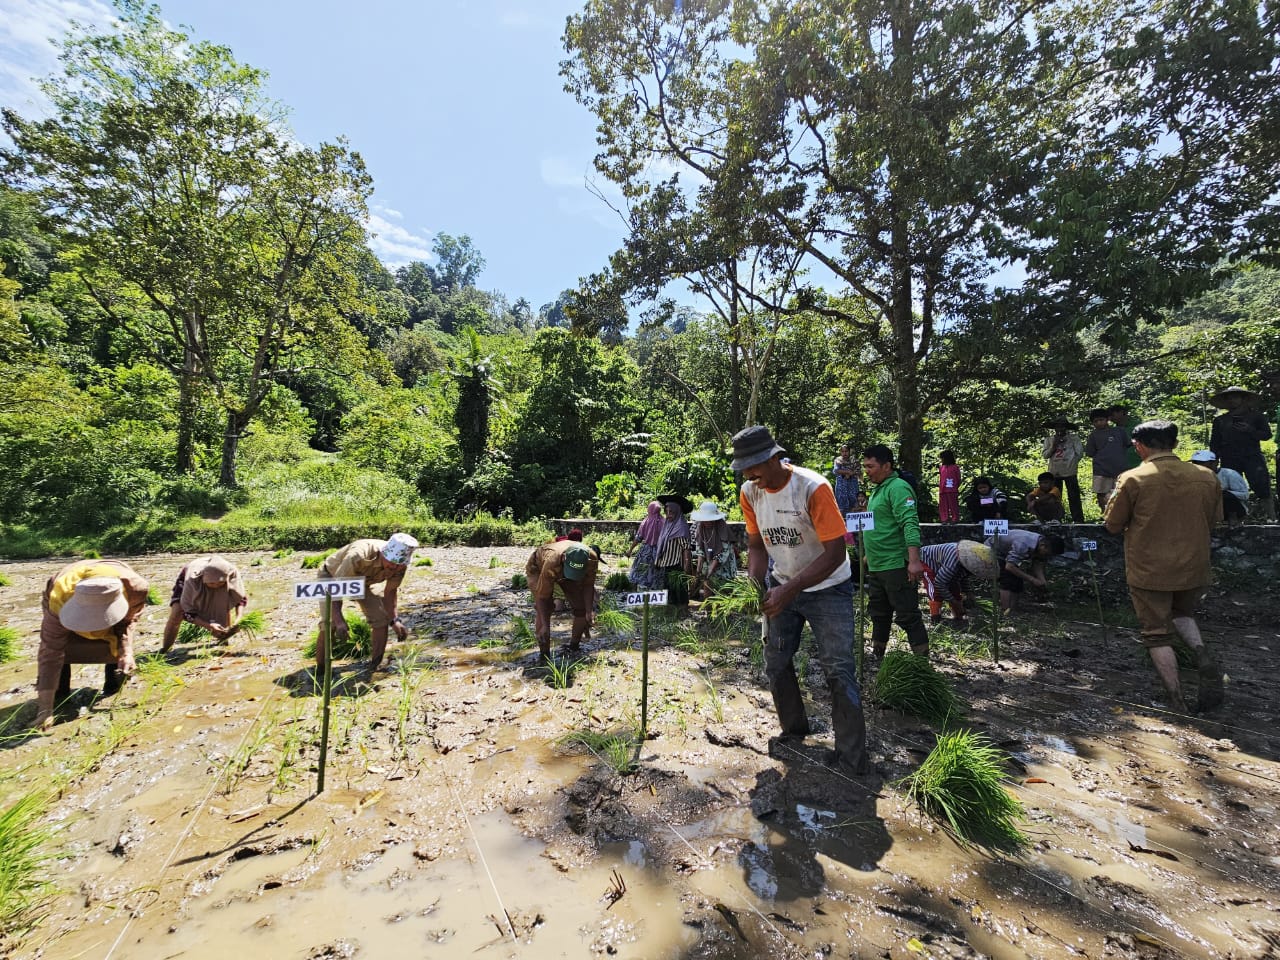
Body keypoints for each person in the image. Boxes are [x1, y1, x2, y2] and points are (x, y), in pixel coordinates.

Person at [732, 425, 871, 775]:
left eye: (755, 465)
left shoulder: (812, 488)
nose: (750, 473)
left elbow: (837, 552)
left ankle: (851, 759)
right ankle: (794, 733)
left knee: (838, 669)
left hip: (829, 589)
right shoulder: (750, 493)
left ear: (775, 457)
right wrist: (754, 586)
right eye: (744, 468)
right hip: (782, 585)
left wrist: (789, 590)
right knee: (776, 662)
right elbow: (755, 545)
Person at [1104, 420, 1223, 713]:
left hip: (1150, 568)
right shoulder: (1206, 477)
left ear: (1139, 446)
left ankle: (1176, 700)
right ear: (1175, 443)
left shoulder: (1132, 478)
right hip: (1194, 565)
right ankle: (1201, 653)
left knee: (1156, 633)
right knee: (1183, 612)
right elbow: (1214, 521)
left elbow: (1113, 525)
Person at [35, 559, 150, 729]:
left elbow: (127, 623)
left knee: (114, 645)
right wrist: (44, 711)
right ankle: (57, 695)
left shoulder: (136, 589)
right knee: (64, 650)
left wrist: (127, 653)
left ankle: (112, 685)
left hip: (118, 592)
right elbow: (50, 652)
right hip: (65, 599)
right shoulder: (58, 598)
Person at [315, 533, 417, 673]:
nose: (394, 568)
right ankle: (321, 670)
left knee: (381, 619)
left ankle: (374, 666)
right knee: (330, 624)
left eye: (398, 565)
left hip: (364, 582)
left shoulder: (399, 566)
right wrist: (339, 620)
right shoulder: (358, 555)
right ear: (383, 554)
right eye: (391, 563)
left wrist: (395, 620)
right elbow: (335, 588)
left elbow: (390, 591)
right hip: (332, 578)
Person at [862, 444, 929, 659]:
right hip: (876, 565)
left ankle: (922, 664)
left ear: (886, 465)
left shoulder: (898, 488)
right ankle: (877, 657)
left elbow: (909, 523)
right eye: (865, 466)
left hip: (895, 565)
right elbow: (879, 525)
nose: (867, 471)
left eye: (870, 466)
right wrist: (867, 554)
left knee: (908, 614)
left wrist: (914, 560)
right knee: (878, 614)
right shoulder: (877, 490)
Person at [526, 539, 603, 659]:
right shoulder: (552, 561)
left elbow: (588, 585)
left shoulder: (591, 558)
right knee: (544, 611)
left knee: (581, 609)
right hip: (539, 567)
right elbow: (542, 598)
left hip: (563, 569)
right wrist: (545, 626)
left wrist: (589, 611)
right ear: (564, 558)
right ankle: (544, 655)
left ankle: (573, 647)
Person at [1209, 385, 1273, 521]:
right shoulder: (1220, 420)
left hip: (1252, 456)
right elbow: (1214, 443)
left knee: (1263, 489)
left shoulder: (1256, 417)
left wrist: (1250, 430)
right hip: (1229, 458)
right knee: (1229, 490)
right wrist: (1213, 461)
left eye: (1235, 397)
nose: (1232, 401)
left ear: (1243, 399)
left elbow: (1267, 435)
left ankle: (1271, 518)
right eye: (1229, 398)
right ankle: (1234, 519)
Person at [161, 555, 248, 652]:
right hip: (192, 581)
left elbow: (240, 598)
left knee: (223, 606)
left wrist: (239, 619)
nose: (215, 586)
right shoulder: (191, 580)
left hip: (221, 580)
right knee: (177, 614)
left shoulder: (232, 575)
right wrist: (208, 625)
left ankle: (224, 642)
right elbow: (186, 613)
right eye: (211, 584)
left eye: (220, 583)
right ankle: (165, 650)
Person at [984, 529, 1066, 613]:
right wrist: (1032, 579)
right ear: (1043, 545)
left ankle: (1013, 609)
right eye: (1047, 554)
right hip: (993, 551)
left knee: (1018, 581)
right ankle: (1005, 610)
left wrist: (1042, 581)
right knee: (1007, 579)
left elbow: (1038, 564)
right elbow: (1009, 566)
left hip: (1007, 555)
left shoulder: (1039, 544)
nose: (1047, 556)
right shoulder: (1023, 544)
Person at [919, 540, 999, 627]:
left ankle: (958, 617)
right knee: (935, 592)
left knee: (955, 590)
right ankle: (935, 619)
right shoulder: (953, 563)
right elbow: (939, 583)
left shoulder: (967, 564)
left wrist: (969, 593)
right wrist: (953, 601)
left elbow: (962, 578)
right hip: (928, 560)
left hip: (944, 564)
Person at [689, 501, 738, 600]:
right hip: (708, 560)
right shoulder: (700, 528)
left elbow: (724, 552)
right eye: (705, 520)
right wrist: (698, 571)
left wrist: (712, 568)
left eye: (710, 520)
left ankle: (723, 613)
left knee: (723, 591)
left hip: (724, 565)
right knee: (707, 586)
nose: (707, 522)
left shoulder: (722, 528)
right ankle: (708, 613)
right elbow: (700, 550)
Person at [1085, 407, 1129, 511]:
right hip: (1101, 470)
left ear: (1107, 419)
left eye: (1101, 420)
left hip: (1120, 469)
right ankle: (1105, 514)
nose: (1099, 423)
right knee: (1102, 494)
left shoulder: (1119, 431)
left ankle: (1121, 516)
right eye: (1096, 421)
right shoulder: (1093, 435)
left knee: (1122, 493)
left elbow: (1127, 444)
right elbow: (1090, 452)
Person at [1042, 417, 1085, 523]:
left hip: (1070, 471)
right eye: (1057, 426)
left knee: (1074, 497)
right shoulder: (1049, 439)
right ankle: (1055, 519)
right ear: (1054, 428)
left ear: (1066, 428)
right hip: (1054, 472)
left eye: (1062, 426)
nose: (1060, 428)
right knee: (1054, 497)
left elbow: (1079, 453)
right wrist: (1054, 446)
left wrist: (1072, 462)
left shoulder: (1074, 438)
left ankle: (1078, 520)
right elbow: (1045, 455)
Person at [1190, 450, 1249, 527]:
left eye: (1201, 463)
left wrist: (1220, 492)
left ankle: (1233, 524)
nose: (1197, 466)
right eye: (1195, 463)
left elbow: (1245, 495)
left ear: (1215, 463)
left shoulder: (1229, 474)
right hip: (1207, 508)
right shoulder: (1194, 476)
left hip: (1231, 508)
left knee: (1224, 495)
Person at [654, 495, 693, 608]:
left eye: (671, 512)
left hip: (677, 566)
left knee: (680, 592)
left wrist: (686, 569)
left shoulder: (680, 526)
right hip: (666, 564)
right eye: (667, 511)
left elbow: (686, 549)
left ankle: (682, 613)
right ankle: (671, 615)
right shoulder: (667, 525)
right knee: (669, 592)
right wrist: (657, 561)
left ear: (677, 512)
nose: (668, 515)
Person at [628, 500, 665, 590]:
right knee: (657, 575)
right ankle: (656, 598)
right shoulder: (664, 522)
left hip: (646, 552)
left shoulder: (646, 521)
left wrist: (630, 550)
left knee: (639, 572)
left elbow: (638, 538)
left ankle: (637, 595)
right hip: (660, 553)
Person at [1110, 404, 1143, 471]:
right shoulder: (1113, 430)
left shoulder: (1138, 425)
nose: (1110, 418)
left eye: (1112, 415)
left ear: (1121, 412)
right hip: (1121, 467)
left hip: (1139, 464)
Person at [832, 444, 860, 518]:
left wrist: (851, 473)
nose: (845, 453)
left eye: (846, 451)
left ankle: (854, 521)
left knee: (853, 499)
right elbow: (835, 470)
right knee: (841, 500)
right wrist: (847, 472)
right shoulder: (838, 460)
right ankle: (842, 521)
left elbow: (858, 471)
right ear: (841, 452)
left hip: (852, 484)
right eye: (843, 451)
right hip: (842, 484)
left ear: (849, 451)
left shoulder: (854, 460)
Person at [938, 450, 961, 523]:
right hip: (943, 489)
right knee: (943, 506)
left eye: (942, 458)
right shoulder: (941, 467)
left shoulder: (955, 467)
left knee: (953, 505)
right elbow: (941, 478)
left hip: (952, 489)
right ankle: (944, 519)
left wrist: (956, 486)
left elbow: (958, 478)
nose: (941, 460)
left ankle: (955, 519)